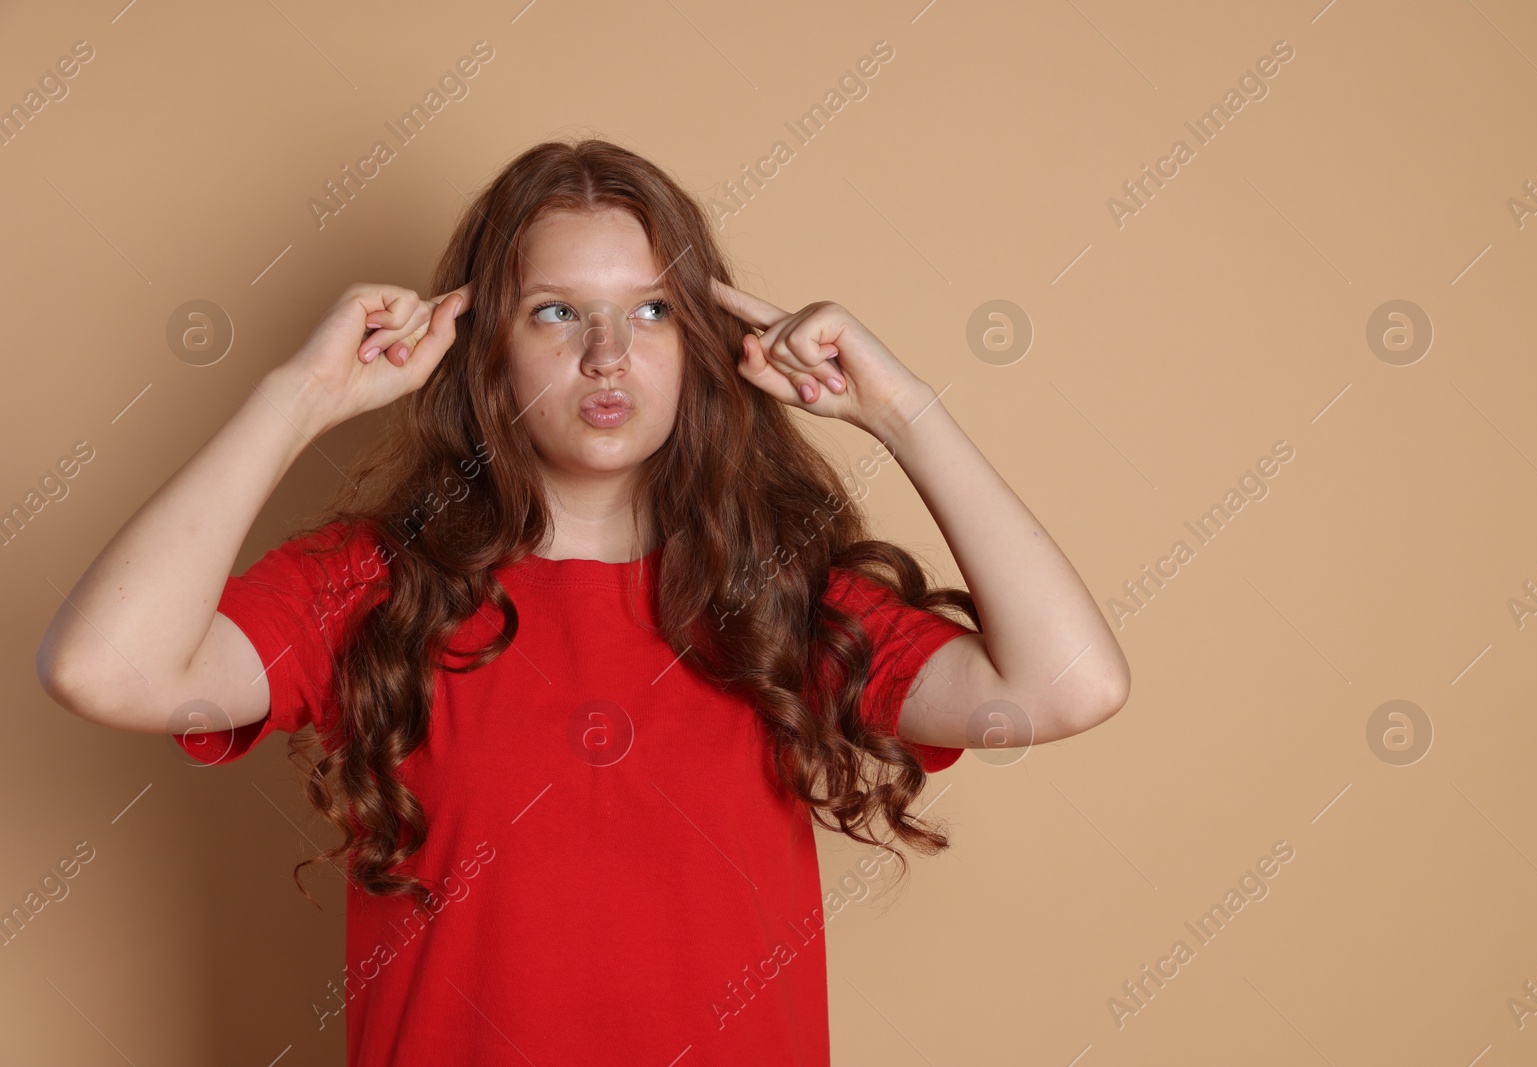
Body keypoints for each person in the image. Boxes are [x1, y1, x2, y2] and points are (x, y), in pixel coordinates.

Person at [34, 138, 1130, 1065]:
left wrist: (902, 409)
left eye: (650, 310)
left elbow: (1067, 684)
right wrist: (297, 397)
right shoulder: (374, 583)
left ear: (699, 348)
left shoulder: (785, 600)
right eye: (557, 311)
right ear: (482, 347)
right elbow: (107, 668)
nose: (607, 354)